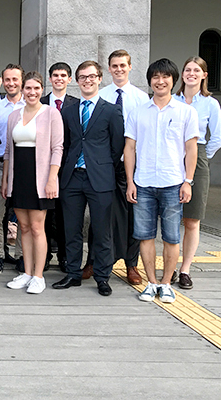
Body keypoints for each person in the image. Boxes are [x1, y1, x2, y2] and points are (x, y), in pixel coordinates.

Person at [125, 58, 198, 304]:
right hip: (143, 183)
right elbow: (130, 148)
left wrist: (188, 181)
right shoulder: (138, 112)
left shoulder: (185, 111)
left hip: (172, 183)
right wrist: (130, 182)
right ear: (150, 81)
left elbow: (191, 149)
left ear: (172, 80)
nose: (160, 81)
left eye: (165, 77)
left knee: (171, 237)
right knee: (144, 236)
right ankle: (151, 283)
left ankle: (166, 283)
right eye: (155, 77)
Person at [52, 62, 123, 297]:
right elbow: (65, 143)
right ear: (77, 80)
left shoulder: (111, 110)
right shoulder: (68, 111)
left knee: (102, 230)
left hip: (100, 178)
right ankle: (73, 273)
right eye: (82, 77)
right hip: (72, 177)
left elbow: (116, 147)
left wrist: (100, 166)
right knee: (71, 229)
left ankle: (103, 276)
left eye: (91, 76)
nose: (87, 81)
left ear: (100, 78)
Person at [90, 49, 150, 284]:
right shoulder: (100, 95)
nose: (119, 69)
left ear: (130, 67)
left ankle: (131, 264)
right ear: (108, 69)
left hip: (131, 166)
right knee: (100, 214)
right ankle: (93, 261)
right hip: (104, 166)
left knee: (131, 216)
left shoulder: (140, 98)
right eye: (114, 66)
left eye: (123, 65)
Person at [1, 72, 63, 294]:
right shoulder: (14, 116)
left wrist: (51, 179)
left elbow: (58, 148)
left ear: (41, 89)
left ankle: (38, 276)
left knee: (37, 228)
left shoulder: (51, 113)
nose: (32, 92)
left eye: (36, 88)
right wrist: (6, 180)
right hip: (20, 177)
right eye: (28, 88)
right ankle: (26, 272)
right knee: (23, 227)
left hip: (40, 177)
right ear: (22, 90)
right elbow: (8, 150)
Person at [174, 56, 221, 289]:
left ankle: (185, 269)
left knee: (192, 220)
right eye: (187, 70)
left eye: (196, 70)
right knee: (171, 217)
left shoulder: (210, 104)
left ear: (204, 75)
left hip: (199, 156)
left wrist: (200, 157)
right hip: (172, 158)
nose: (191, 74)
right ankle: (170, 266)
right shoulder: (172, 99)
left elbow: (218, 138)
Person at [0, 64, 26, 274]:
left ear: (21, 80)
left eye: (15, 79)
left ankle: (20, 255)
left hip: (22, 167)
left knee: (21, 214)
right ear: (3, 81)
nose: (11, 83)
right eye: (8, 79)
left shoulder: (29, 106)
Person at [41, 62, 77, 272]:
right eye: (55, 75)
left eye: (63, 75)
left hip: (68, 169)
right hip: (43, 167)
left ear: (69, 79)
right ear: (50, 78)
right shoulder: (42, 102)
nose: (59, 79)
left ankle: (64, 256)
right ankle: (44, 255)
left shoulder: (77, 104)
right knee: (44, 214)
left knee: (65, 216)